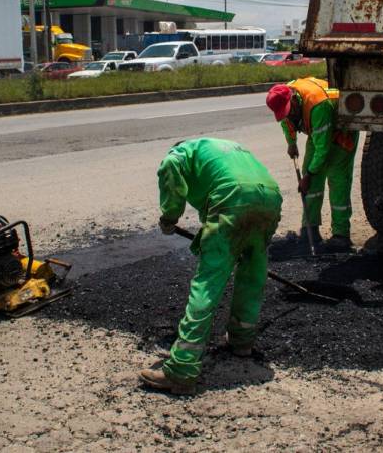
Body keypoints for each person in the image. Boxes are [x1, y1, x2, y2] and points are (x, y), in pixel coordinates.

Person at [140, 138, 283, 395]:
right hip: (270, 197)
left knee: (208, 281)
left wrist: (170, 216)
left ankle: (181, 369)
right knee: (252, 273)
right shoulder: (221, 148)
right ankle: (242, 341)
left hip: (233, 197)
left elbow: (170, 166)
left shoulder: (180, 153)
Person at [266, 78, 359, 252]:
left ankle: (341, 235)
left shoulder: (318, 105)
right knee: (311, 185)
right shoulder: (285, 95)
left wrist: (308, 176)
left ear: (293, 99)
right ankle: (311, 229)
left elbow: (322, 151)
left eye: (288, 110)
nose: (287, 114)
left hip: (342, 133)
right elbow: (287, 121)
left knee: (337, 181)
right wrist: (291, 142)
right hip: (319, 131)